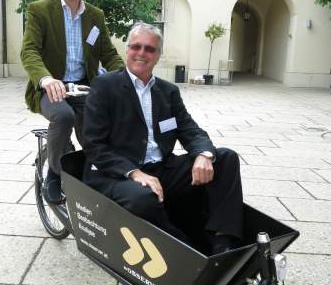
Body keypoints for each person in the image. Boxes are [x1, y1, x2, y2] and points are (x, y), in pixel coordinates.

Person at [82, 22, 243, 255]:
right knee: (144, 198)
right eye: (136, 46)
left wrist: (204, 154)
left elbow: (189, 129)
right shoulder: (105, 86)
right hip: (118, 174)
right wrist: (135, 173)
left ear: (158, 55)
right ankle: (188, 252)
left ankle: (223, 242)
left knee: (225, 158)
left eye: (149, 49)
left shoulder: (168, 91)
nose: (142, 53)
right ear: (127, 50)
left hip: (161, 169)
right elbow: (94, 145)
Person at [21, 0, 124, 204]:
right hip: (50, 87)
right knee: (64, 116)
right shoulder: (40, 10)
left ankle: (92, 174)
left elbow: (108, 54)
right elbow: (29, 51)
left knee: (97, 129)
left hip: (84, 87)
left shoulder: (95, 16)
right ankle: (54, 174)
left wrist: (126, 78)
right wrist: (45, 79)